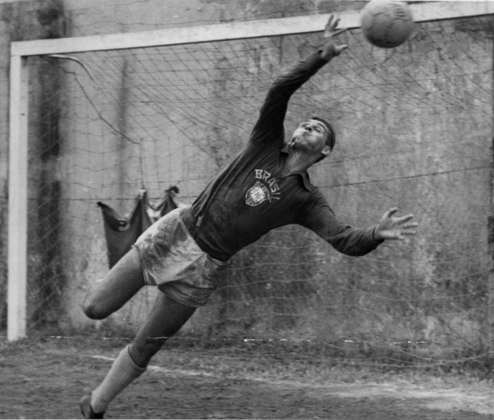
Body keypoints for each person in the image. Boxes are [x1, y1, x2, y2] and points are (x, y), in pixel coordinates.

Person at [79, 15, 418, 419]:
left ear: (324, 151)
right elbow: (280, 90)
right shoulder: (264, 143)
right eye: (306, 123)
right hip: (176, 231)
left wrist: (376, 233)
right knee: (94, 309)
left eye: (319, 129)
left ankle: (96, 405)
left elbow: (344, 240)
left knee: (148, 344)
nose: (308, 126)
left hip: (203, 265)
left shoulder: (305, 199)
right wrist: (321, 56)